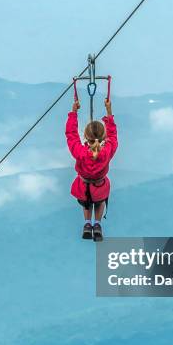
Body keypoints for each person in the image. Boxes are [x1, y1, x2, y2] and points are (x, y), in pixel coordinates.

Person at [65, 98, 118, 241]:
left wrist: (74, 112)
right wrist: (109, 112)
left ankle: (87, 224)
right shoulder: (107, 152)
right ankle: (98, 225)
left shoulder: (80, 152)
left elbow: (71, 135)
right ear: (103, 137)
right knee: (99, 202)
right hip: (100, 186)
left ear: (85, 137)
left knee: (86, 203)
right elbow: (113, 136)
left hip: (83, 186)